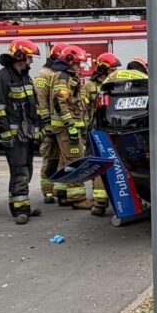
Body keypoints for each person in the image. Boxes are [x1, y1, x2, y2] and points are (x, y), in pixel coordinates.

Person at [0, 38, 43, 225]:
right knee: (19, 170)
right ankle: (21, 209)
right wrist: (5, 132)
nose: (31, 62)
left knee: (26, 169)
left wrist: (37, 128)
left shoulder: (24, 77)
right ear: (19, 56)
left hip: (25, 133)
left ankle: (18, 204)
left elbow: (32, 106)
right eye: (29, 58)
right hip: (13, 134)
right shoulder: (1, 77)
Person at [49, 44, 94, 209]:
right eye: (77, 63)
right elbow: (59, 102)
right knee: (76, 160)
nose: (79, 67)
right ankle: (78, 198)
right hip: (67, 127)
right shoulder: (63, 78)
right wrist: (71, 126)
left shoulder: (67, 76)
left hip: (67, 127)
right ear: (69, 61)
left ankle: (64, 194)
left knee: (65, 161)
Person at [81, 52, 121, 217]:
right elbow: (83, 110)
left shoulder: (115, 84)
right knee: (99, 164)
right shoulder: (89, 87)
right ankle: (99, 203)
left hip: (113, 128)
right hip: (96, 130)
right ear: (104, 70)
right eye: (112, 70)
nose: (114, 73)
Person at [34, 44, 70, 204]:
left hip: (61, 124)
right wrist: (46, 123)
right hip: (49, 123)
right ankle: (47, 191)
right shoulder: (44, 75)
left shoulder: (61, 74)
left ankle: (60, 188)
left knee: (63, 157)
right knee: (50, 157)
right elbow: (41, 100)